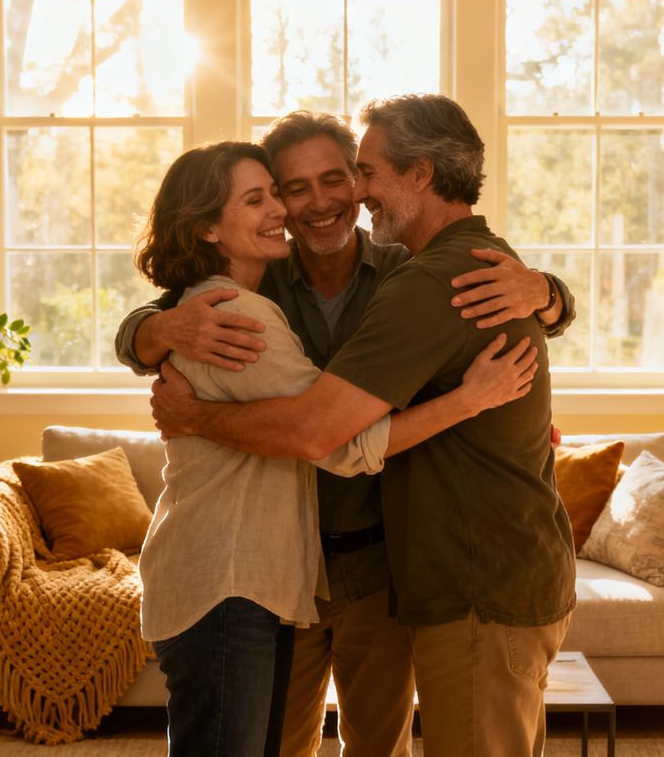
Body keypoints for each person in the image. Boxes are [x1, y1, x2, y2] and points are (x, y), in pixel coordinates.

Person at [116, 112, 575, 756]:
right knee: (269, 744)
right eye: (291, 188)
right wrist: (152, 332)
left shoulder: (404, 271)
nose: (326, 200)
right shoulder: (256, 274)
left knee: (378, 747)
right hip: (286, 570)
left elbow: (487, 303)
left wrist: (550, 292)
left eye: (343, 177)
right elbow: (165, 307)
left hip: (381, 567)